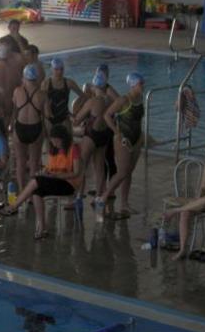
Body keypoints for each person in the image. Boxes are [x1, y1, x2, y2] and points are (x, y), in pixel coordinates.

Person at [0, 125, 81, 240]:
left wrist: (56, 175)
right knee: (37, 191)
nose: (54, 143)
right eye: (52, 141)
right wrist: (44, 172)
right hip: (54, 180)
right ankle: (42, 227)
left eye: (56, 141)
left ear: (63, 138)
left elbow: (76, 173)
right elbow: (49, 168)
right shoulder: (53, 150)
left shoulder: (74, 148)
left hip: (68, 183)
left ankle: (14, 206)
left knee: (36, 182)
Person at [164, 140, 205, 260]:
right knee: (186, 212)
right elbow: (203, 187)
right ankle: (183, 250)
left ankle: (176, 210)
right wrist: (199, 198)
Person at [96, 72, 145, 219]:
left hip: (136, 139)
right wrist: (117, 132)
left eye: (142, 83)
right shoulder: (123, 99)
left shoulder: (140, 98)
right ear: (133, 85)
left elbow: (137, 120)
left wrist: (142, 137)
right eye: (140, 84)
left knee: (129, 172)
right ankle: (103, 198)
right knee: (122, 172)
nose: (143, 86)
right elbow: (106, 115)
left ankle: (124, 204)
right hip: (122, 140)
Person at [73, 72, 113, 201]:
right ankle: (99, 196)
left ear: (95, 87)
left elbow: (77, 120)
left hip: (92, 135)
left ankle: (79, 194)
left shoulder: (93, 101)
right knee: (100, 166)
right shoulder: (110, 100)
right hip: (104, 135)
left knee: (82, 164)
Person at [12, 64, 46, 190]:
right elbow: (46, 115)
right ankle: (32, 192)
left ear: (24, 78)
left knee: (20, 162)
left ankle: (21, 190)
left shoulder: (17, 91)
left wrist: (11, 126)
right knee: (34, 163)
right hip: (35, 128)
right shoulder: (42, 94)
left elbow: (15, 111)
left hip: (20, 127)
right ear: (36, 79)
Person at [41, 57, 83, 133]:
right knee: (51, 142)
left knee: (68, 141)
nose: (59, 72)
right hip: (49, 118)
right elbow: (40, 102)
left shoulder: (69, 82)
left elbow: (83, 96)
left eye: (61, 69)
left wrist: (76, 111)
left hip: (64, 117)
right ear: (52, 69)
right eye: (56, 69)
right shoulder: (46, 84)